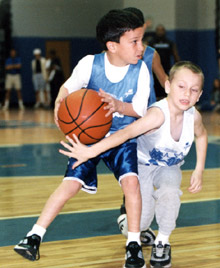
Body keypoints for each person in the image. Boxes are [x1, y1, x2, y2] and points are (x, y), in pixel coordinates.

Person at [14, 9, 151, 268]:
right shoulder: (90, 63)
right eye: (134, 41)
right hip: (90, 137)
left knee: (132, 185)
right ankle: (33, 236)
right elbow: (69, 86)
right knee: (70, 184)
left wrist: (119, 106)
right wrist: (59, 101)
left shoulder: (141, 70)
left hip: (121, 138)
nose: (141, 47)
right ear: (112, 46)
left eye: (141, 40)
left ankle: (133, 245)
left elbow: (140, 110)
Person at [58, 61, 208, 268]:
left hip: (169, 166)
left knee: (170, 192)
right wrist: (90, 151)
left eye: (193, 90)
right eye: (181, 86)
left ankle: (162, 242)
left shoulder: (195, 117)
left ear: (199, 95)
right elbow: (125, 134)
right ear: (167, 87)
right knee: (141, 221)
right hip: (142, 165)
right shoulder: (156, 115)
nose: (186, 94)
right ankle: (128, 222)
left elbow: (201, 136)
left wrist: (199, 169)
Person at [119, 7, 168, 245]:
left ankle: (139, 219)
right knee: (131, 169)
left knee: (149, 168)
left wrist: (182, 98)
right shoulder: (116, 53)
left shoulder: (151, 55)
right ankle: (129, 216)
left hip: (147, 119)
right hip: (124, 117)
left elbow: (164, 80)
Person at [149, 24, 180, 99]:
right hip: (154, 71)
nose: (160, 32)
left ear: (164, 31)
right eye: (158, 30)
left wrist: (178, 68)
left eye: (161, 30)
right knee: (155, 91)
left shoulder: (169, 43)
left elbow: (176, 56)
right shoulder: (151, 43)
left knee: (165, 89)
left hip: (166, 69)